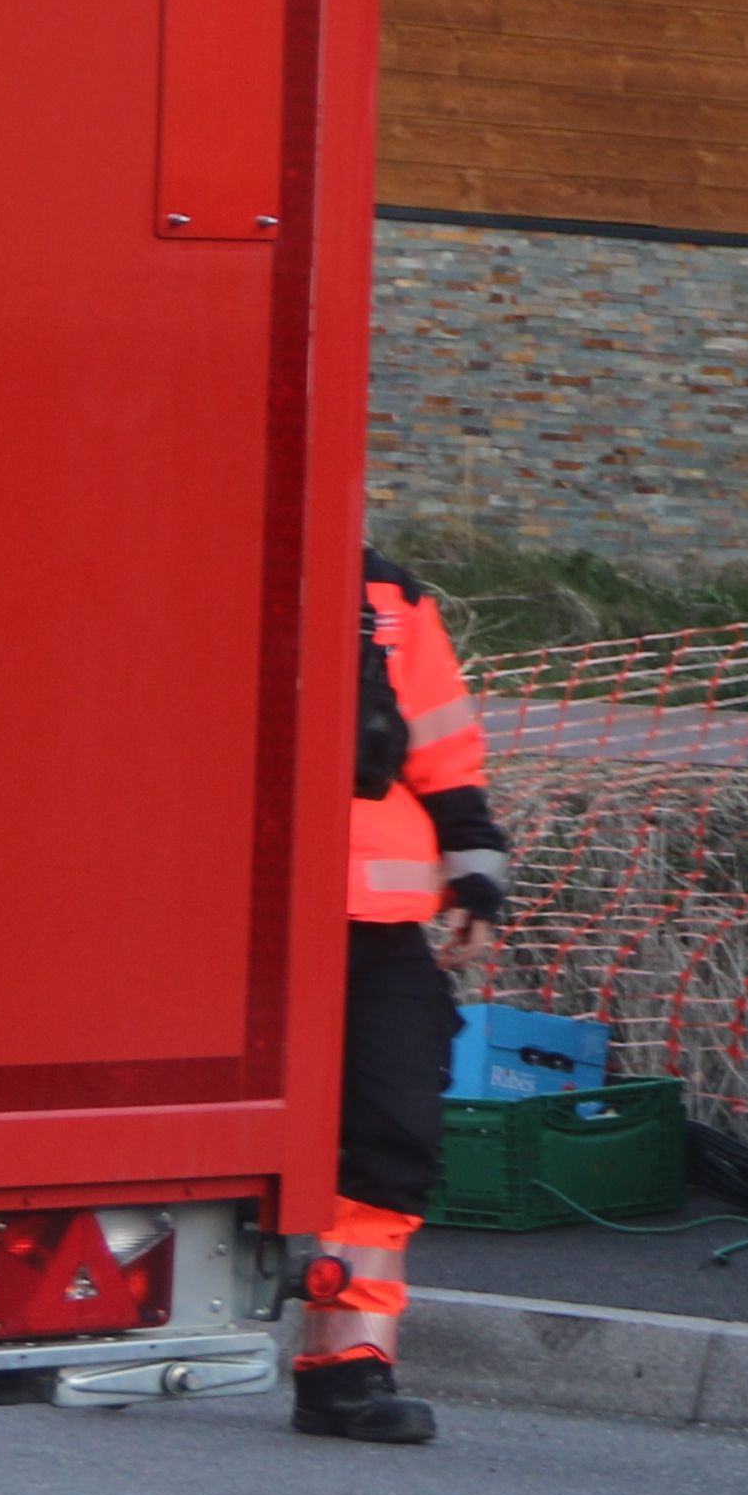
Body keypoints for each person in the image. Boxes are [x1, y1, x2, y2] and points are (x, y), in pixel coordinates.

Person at [300, 551, 515, 1444]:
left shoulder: (390, 596)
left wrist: (475, 877)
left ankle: (349, 1363)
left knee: (394, 1130)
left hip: (373, 917)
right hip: (221, 910)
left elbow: (442, 745)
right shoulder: (192, 558)